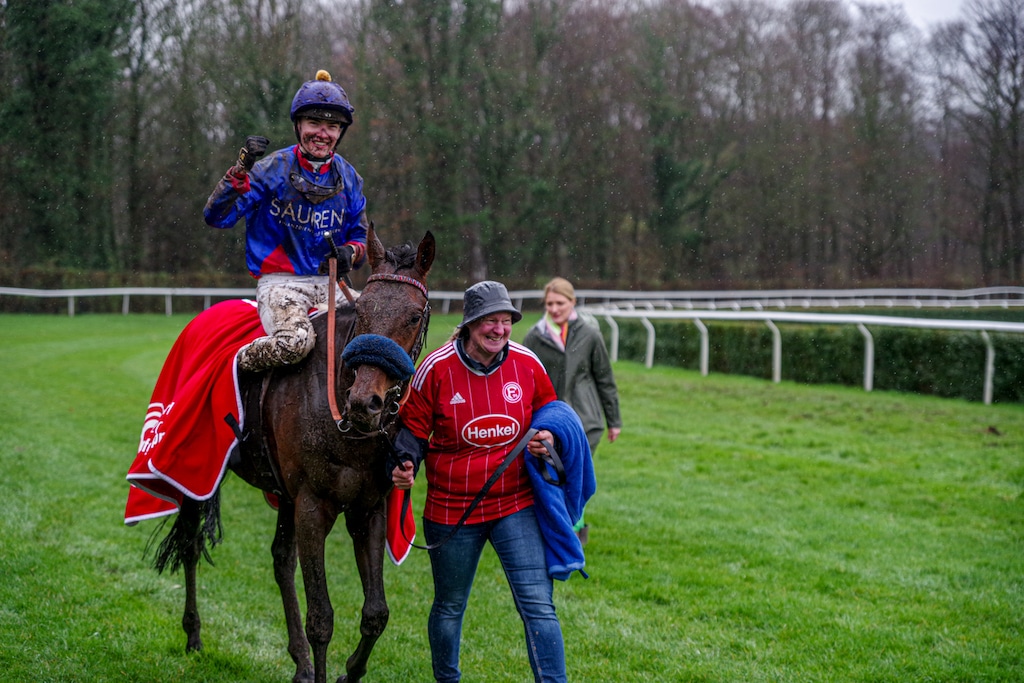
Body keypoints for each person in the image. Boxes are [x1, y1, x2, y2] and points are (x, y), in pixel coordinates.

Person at [390, 280, 568, 683]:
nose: (499, 330)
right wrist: (404, 461)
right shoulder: (435, 369)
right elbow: (412, 431)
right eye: (490, 321)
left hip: (515, 504)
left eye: (506, 321)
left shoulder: (527, 363)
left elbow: (551, 412)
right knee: (450, 606)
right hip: (452, 509)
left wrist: (548, 436)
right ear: (470, 323)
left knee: (539, 606)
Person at [204, 69, 369, 372]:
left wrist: (351, 252)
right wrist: (239, 172)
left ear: (340, 132)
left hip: (331, 284)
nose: (323, 133)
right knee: (296, 342)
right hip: (281, 284)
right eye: (314, 123)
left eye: (332, 126)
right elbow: (217, 217)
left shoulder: (350, 179)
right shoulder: (269, 170)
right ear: (298, 125)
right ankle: (235, 364)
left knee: (380, 327)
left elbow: (361, 239)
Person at [523, 277, 622, 545]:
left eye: (560, 303)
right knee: (553, 475)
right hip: (549, 421)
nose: (555, 309)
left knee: (575, 474)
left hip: (586, 421)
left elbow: (604, 377)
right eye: (550, 304)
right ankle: (561, 530)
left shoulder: (590, 334)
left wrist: (614, 420)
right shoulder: (534, 337)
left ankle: (574, 531)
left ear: (573, 302)